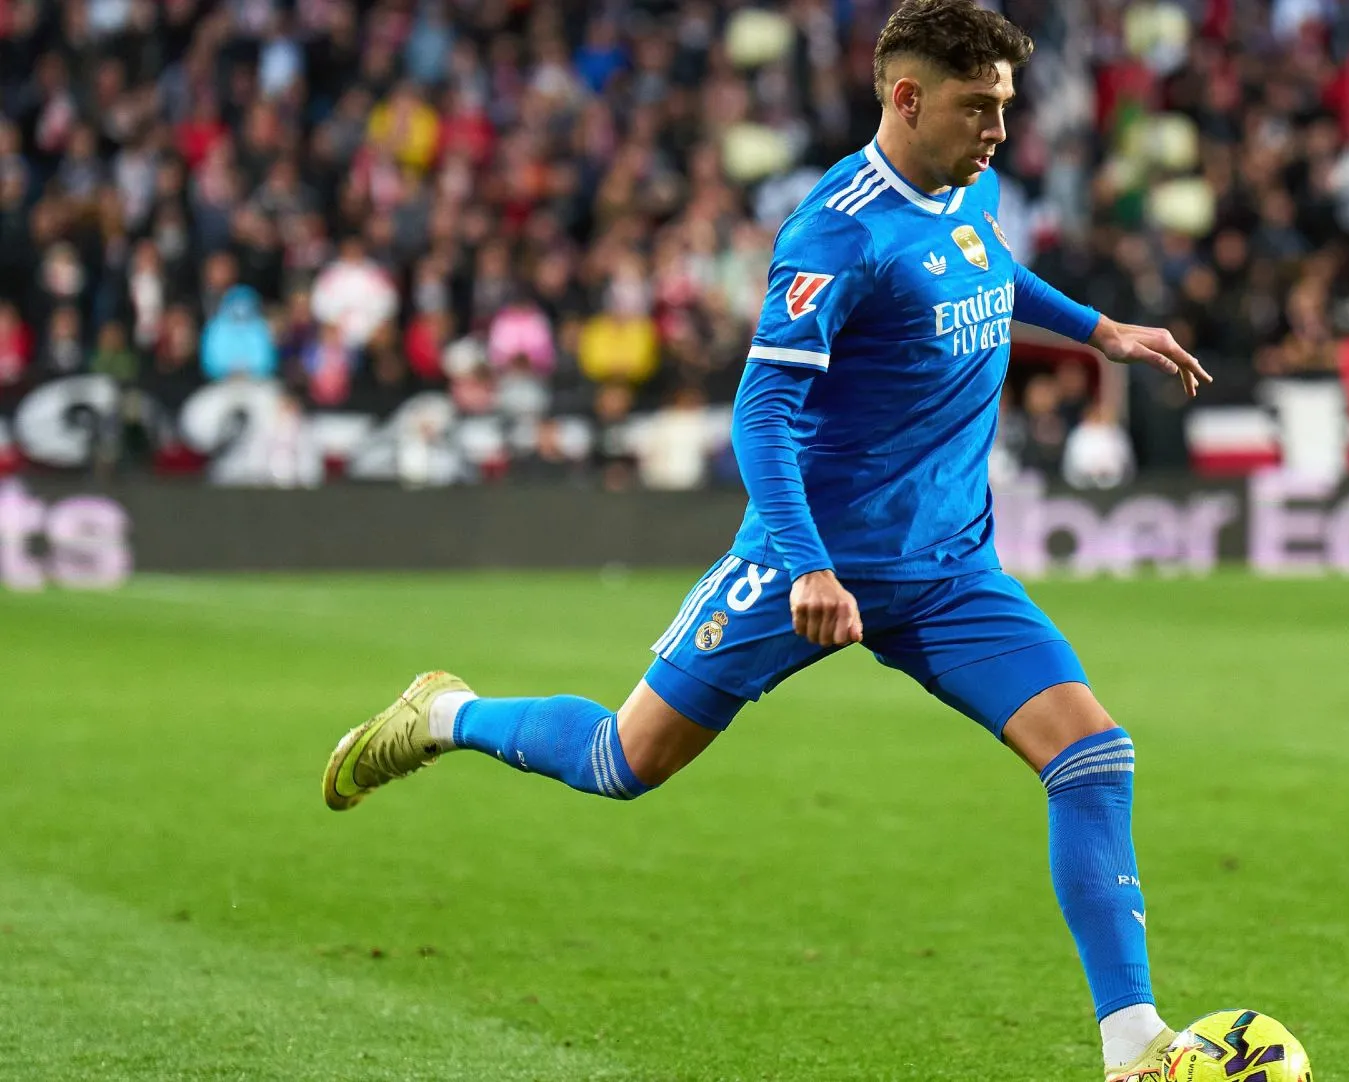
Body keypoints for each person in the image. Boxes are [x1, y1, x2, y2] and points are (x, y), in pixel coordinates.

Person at [319, 4, 1209, 1081]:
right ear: (907, 97)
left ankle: (1135, 1051)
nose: (1000, 133)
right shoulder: (837, 229)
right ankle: (445, 714)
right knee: (621, 759)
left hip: (948, 569)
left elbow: (986, 275)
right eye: (980, 109)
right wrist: (808, 563)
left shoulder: (963, 193)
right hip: (808, 568)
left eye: (1007, 109)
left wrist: (1098, 329)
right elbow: (761, 413)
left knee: (1092, 755)